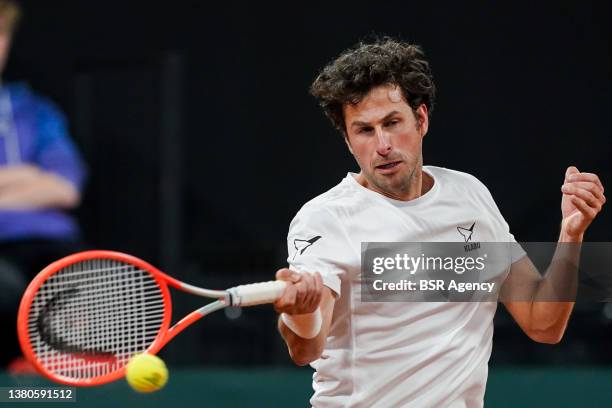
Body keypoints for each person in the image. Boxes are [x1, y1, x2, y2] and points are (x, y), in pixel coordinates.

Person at [273, 38, 605, 407]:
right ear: (349, 142)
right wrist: (302, 314)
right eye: (364, 130)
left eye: (392, 122)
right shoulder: (325, 219)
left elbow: (543, 323)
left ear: (422, 120)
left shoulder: (470, 196)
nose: (382, 144)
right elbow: (305, 349)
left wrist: (571, 234)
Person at [0, 0, 87, 369]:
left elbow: (64, 189)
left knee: (91, 287)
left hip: (53, 251)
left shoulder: (37, 110)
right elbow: (45, 183)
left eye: (1, 34)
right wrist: (27, 177)